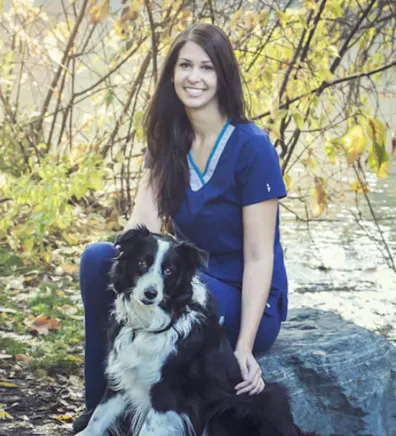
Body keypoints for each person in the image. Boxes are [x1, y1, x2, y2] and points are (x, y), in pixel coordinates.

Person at [73, 22, 288, 433]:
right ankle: (100, 413)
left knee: (199, 304)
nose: (194, 77)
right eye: (185, 65)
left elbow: (261, 257)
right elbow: (142, 230)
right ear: (172, 73)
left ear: (223, 76)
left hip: (245, 292)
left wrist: (243, 346)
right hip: (190, 276)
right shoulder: (168, 141)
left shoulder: (252, 147)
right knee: (98, 259)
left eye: (207, 68)